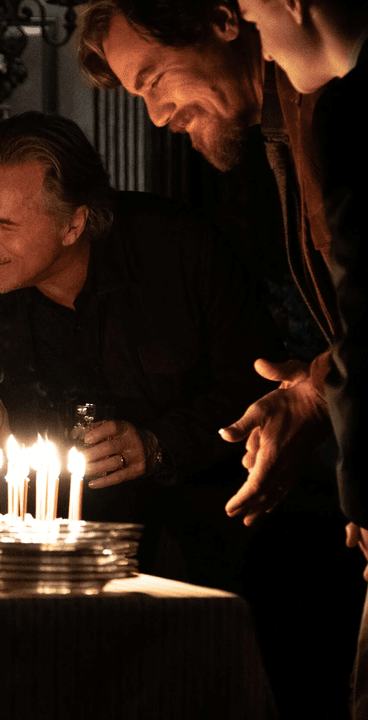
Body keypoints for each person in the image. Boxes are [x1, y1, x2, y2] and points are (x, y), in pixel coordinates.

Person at [0, 112, 280, 576]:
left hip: (199, 531)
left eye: (6, 224)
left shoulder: (183, 251)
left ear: (74, 226)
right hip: (26, 546)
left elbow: (259, 387)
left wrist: (157, 446)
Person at [75, 0, 338, 527]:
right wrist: (320, 388)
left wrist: (322, 397)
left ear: (223, 21)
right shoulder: (284, 117)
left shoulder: (331, 109)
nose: (156, 115)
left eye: (153, 80)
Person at [235, 0, 368, 711]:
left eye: (252, 17)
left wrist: (365, 495)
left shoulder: (344, 114)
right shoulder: (323, 112)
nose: (261, 46)